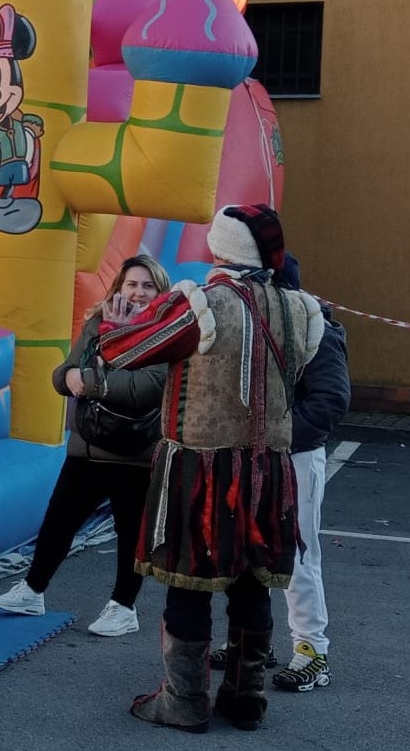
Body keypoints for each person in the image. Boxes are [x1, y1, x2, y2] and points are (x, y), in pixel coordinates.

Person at [99, 205, 323, 732]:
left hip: (199, 469)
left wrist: (115, 322)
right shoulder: (301, 309)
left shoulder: (200, 303)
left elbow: (122, 351)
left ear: (219, 247)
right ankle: (246, 698)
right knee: (253, 583)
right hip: (269, 469)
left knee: (188, 584)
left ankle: (185, 701)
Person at [0, 255, 173, 638]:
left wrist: (89, 379)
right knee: (59, 519)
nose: (138, 293)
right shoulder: (97, 321)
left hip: (135, 450)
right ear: (119, 287)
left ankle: (123, 607)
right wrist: (70, 374)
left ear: (160, 291)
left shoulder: (166, 331)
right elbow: (63, 373)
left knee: (129, 532)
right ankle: (32, 590)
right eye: (132, 284)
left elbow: (146, 388)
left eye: (147, 286)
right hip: (88, 445)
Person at [210, 252, 351, 692]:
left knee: (298, 556)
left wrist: (278, 437)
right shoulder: (258, 323)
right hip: (257, 454)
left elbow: (331, 400)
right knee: (249, 551)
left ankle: (312, 651)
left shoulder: (314, 327)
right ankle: (255, 640)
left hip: (295, 457)